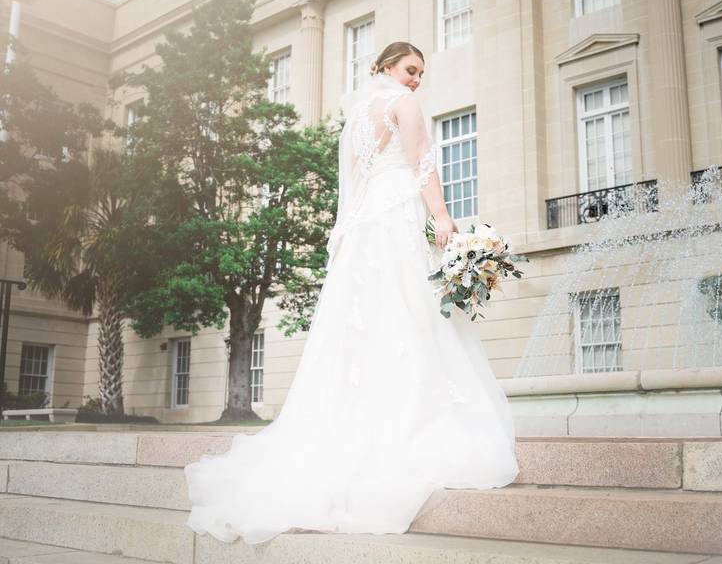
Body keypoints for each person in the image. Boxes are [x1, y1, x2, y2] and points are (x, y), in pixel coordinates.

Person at [183, 41, 519, 544]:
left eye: (421, 74)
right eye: (410, 69)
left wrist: (342, 235)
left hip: (365, 227)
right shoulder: (403, 106)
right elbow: (423, 162)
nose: (416, 80)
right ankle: (405, 430)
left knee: (372, 328)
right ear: (386, 67)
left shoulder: (359, 115)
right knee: (410, 319)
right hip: (398, 215)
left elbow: (356, 183)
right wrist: (443, 218)